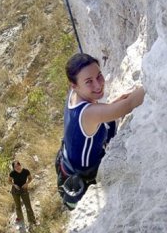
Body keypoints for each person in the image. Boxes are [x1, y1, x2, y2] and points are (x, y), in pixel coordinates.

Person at [57, 53, 145, 209]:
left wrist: (111, 107)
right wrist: (155, 79)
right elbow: (129, 104)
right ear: (74, 85)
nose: (98, 85)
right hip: (86, 175)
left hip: (67, 161)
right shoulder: (88, 113)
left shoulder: (73, 96)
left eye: (99, 76)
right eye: (89, 82)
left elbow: (105, 110)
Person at [8, 160, 37, 226]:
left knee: (28, 205)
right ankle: (20, 217)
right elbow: (9, 181)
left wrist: (27, 183)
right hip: (15, 190)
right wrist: (14, 185)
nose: (17, 167)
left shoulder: (26, 171)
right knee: (17, 205)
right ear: (13, 168)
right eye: (15, 167)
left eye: (18, 165)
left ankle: (32, 220)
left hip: (24, 189)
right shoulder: (12, 173)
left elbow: (30, 178)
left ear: (20, 165)